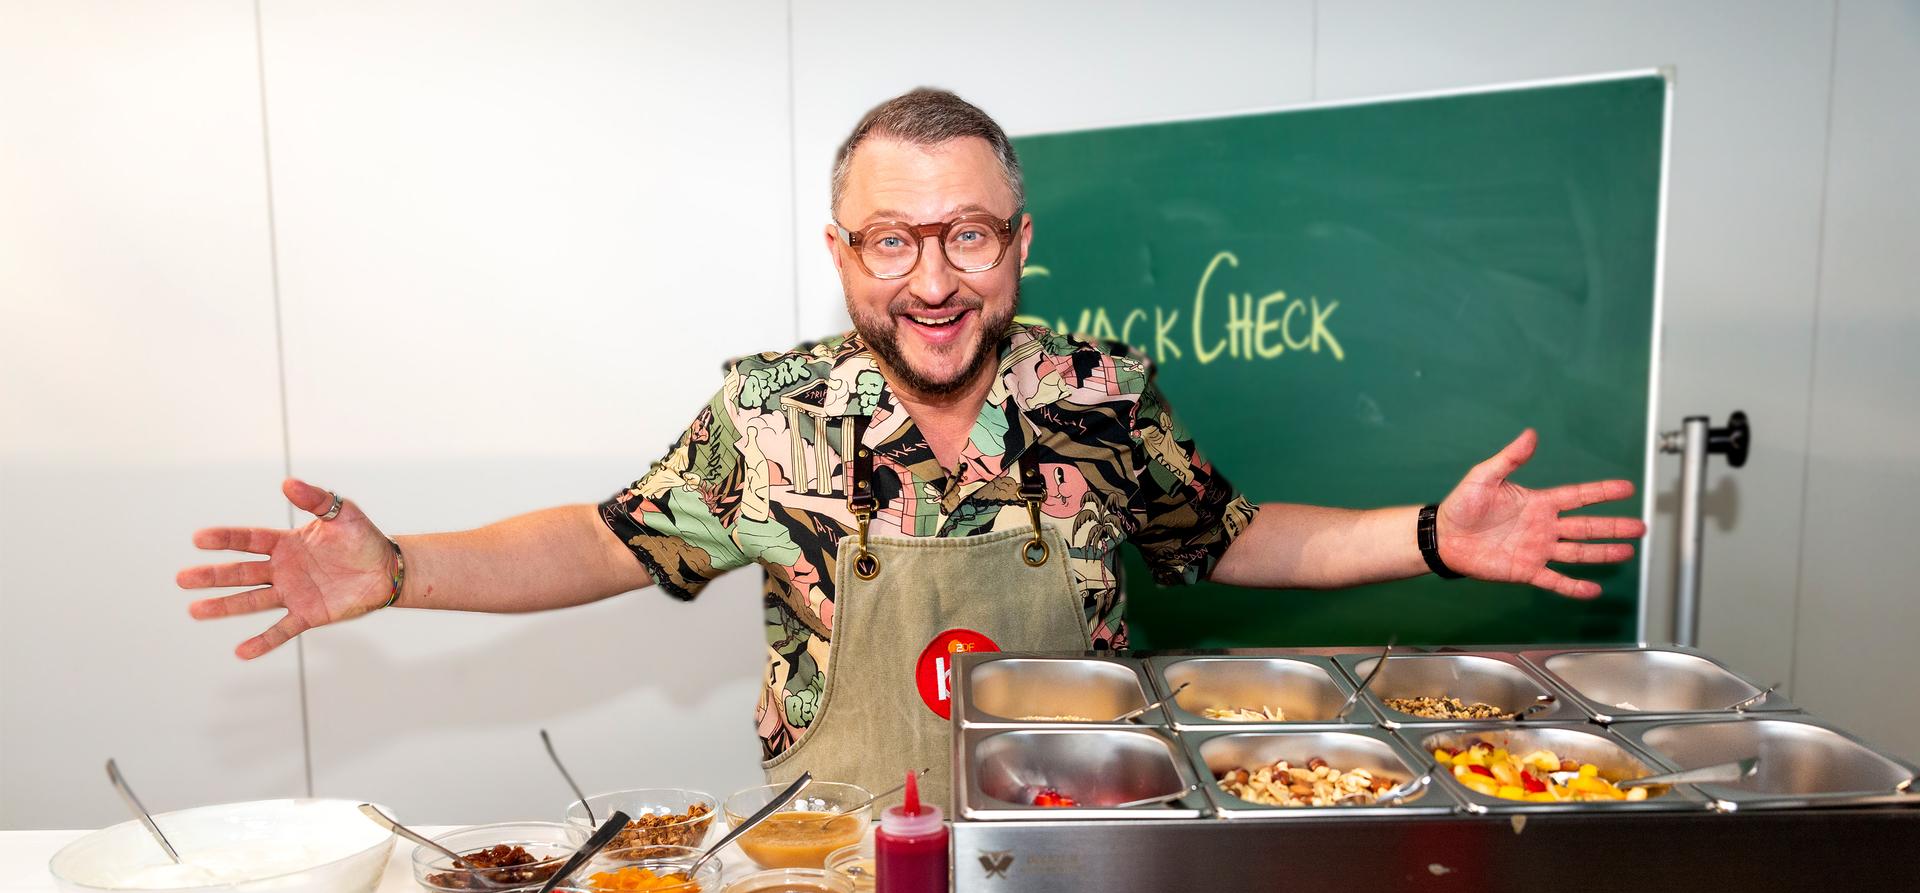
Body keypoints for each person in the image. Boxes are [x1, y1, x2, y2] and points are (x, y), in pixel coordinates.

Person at [178, 89, 1645, 800]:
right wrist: (402, 570)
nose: (929, 278)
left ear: (1016, 244)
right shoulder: (770, 416)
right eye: (892, 239)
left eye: (964, 235)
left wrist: (1436, 537)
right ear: (841, 250)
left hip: (1092, 840)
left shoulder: (1101, 394)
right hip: (841, 868)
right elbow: (606, 537)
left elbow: (1232, 537)